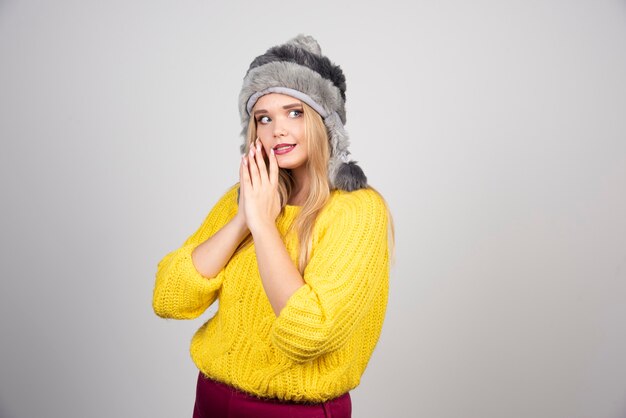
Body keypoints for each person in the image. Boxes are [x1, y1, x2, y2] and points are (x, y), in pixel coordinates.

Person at [153, 34, 393, 418]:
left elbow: (310, 332)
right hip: (212, 399)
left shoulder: (357, 211)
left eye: (294, 112)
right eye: (264, 118)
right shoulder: (248, 196)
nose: (277, 129)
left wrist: (263, 226)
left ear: (324, 120)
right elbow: (169, 298)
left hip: (296, 411)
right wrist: (244, 218)